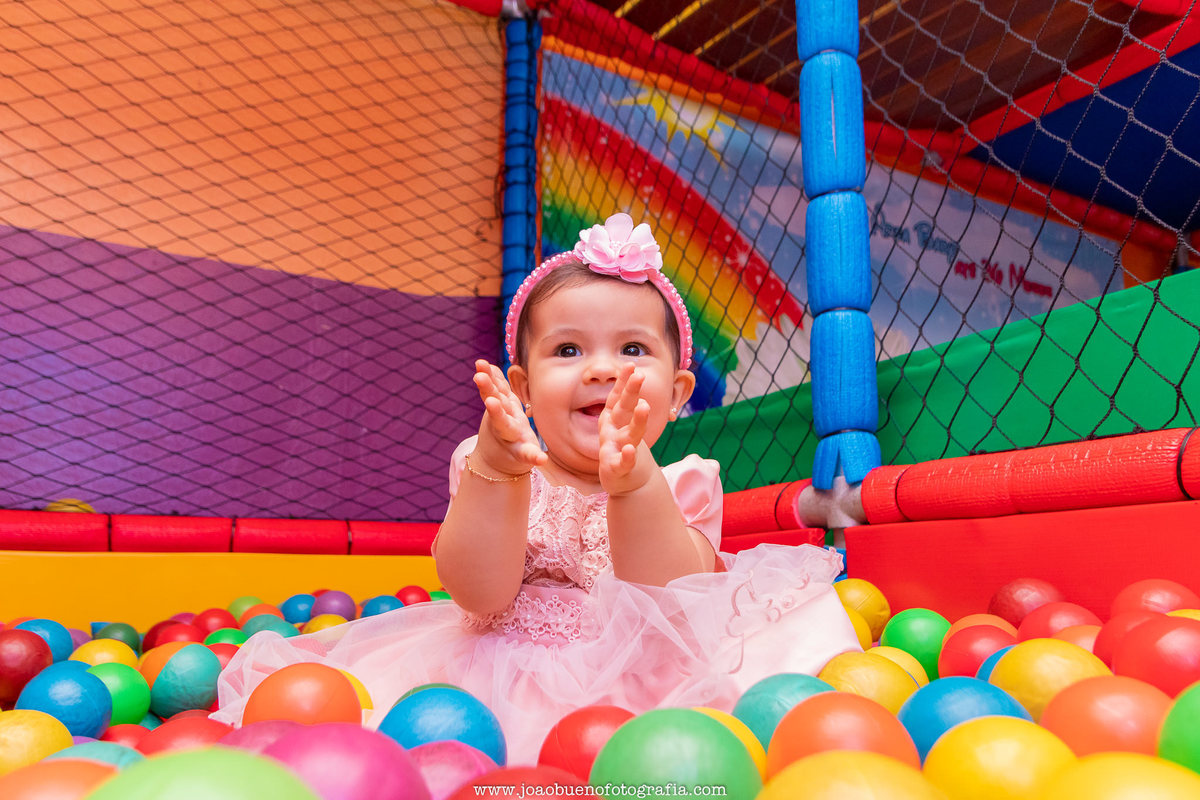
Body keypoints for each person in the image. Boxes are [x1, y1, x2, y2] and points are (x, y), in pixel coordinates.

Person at [214, 213, 860, 763]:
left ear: (679, 394)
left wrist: (634, 484)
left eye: (633, 349)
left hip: (643, 680)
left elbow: (666, 600)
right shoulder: (491, 467)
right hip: (502, 670)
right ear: (521, 390)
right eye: (569, 351)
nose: (603, 369)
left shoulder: (682, 482)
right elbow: (476, 592)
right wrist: (496, 469)